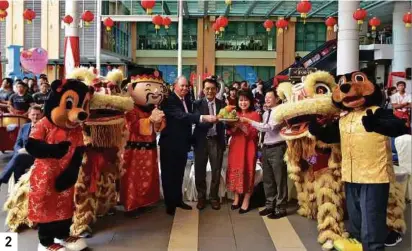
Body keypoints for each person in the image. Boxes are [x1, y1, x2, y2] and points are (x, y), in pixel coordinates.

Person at [159, 76, 216, 215]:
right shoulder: (169, 100)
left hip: (183, 144)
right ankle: (170, 205)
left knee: (179, 174)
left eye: (186, 86)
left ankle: (178, 200)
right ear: (175, 86)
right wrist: (203, 117)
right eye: (182, 86)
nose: (184, 88)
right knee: (168, 175)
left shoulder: (187, 100)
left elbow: (189, 118)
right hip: (170, 144)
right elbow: (181, 116)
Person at [241, 88, 288, 219]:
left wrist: (250, 122)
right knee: (268, 179)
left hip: (277, 147)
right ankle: (270, 205)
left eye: (269, 97)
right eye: (265, 97)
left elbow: (269, 127)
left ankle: (281, 207)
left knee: (280, 179)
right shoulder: (266, 112)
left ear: (277, 99)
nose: (266, 99)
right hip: (266, 148)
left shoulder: (280, 112)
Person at [193, 77, 226, 210]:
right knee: (199, 170)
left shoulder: (222, 104)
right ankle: (201, 197)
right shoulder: (197, 104)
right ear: (203, 90)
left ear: (216, 90)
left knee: (216, 171)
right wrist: (211, 121)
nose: (210, 91)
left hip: (216, 140)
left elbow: (226, 120)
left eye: (213, 89)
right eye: (207, 88)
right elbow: (196, 122)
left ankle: (213, 197)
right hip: (201, 140)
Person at [226, 90, 261, 214]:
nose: (243, 102)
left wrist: (241, 124)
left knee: (248, 171)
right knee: (235, 171)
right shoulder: (234, 113)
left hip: (249, 147)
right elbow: (230, 132)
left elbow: (253, 133)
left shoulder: (255, 115)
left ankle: (246, 199)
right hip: (235, 146)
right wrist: (234, 126)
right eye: (241, 100)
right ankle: (236, 198)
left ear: (250, 101)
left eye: (246, 100)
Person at [0, 106, 43, 185]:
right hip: (23, 154)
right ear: (29, 115)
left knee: (19, 158)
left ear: (41, 115)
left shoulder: (45, 128)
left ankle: (1, 179)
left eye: (38, 114)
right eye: (33, 114)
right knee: (18, 164)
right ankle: (17, 189)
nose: (35, 117)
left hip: (36, 156)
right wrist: (19, 150)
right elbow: (17, 143)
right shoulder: (24, 127)